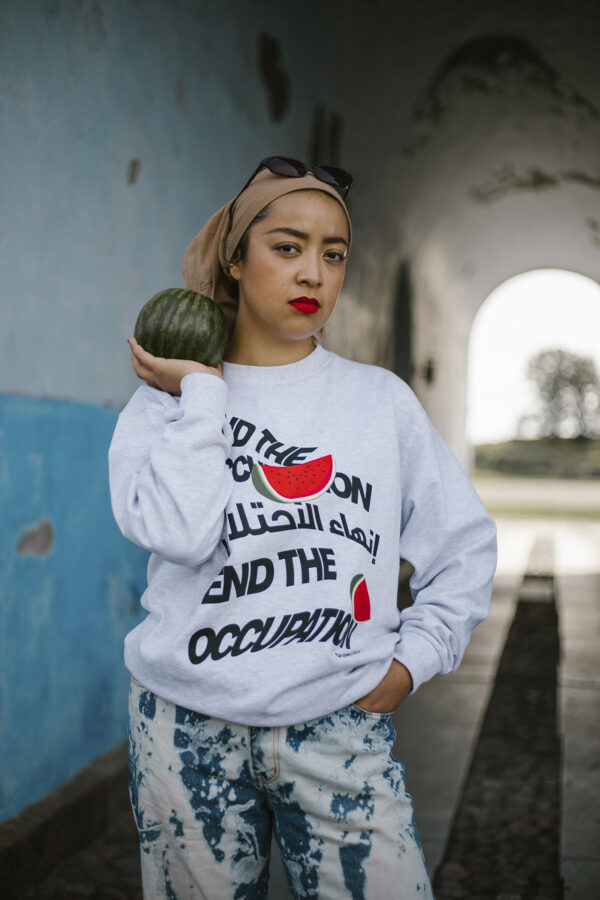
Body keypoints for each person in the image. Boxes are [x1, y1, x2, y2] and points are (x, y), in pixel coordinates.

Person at [108, 156, 497, 899]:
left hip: (338, 722)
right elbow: (180, 536)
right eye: (287, 247)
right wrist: (199, 395)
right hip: (184, 727)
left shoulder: (378, 402)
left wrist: (415, 657)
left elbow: (464, 543)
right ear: (237, 256)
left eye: (333, 253)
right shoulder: (164, 400)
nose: (313, 273)